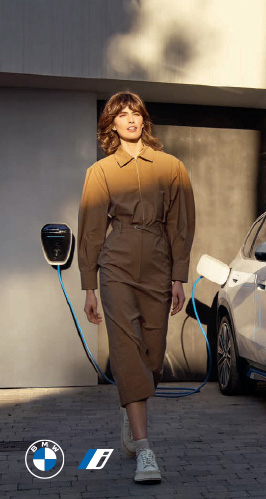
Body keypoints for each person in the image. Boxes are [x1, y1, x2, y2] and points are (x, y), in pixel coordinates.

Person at [78, 91, 195, 484]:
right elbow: (91, 230)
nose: (130, 119)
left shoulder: (172, 167)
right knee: (126, 349)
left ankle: (131, 405)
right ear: (111, 124)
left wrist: (179, 276)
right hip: (117, 265)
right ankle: (145, 449)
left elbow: (181, 225)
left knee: (153, 356)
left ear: (144, 120)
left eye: (135, 113)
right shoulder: (101, 172)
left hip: (159, 264)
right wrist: (89, 286)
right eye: (122, 114)